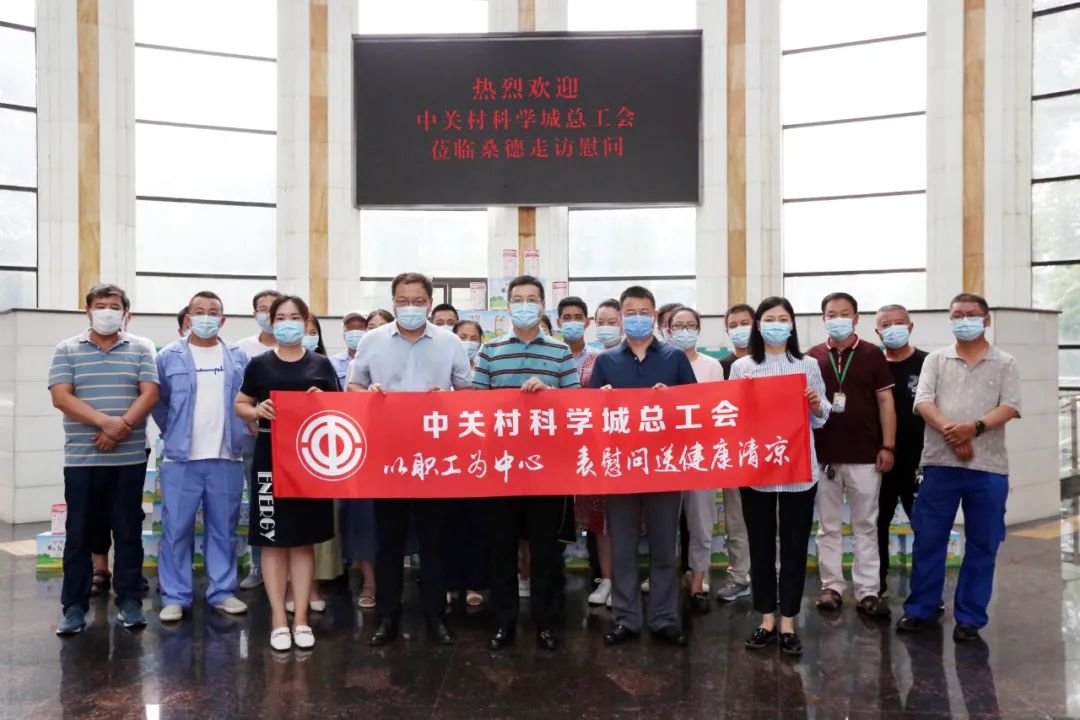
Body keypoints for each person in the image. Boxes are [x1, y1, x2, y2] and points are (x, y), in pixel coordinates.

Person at [348, 272, 472, 647]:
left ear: (429, 303)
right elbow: (353, 386)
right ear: (393, 301)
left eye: (418, 301)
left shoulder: (450, 343)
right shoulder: (372, 341)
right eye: (403, 301)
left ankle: (435, 616)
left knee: (435, 541)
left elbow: (468, 394)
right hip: (388, 456)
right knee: (389, 541)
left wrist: (446, 399)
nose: (410, 307)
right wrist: (368, 394)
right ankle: (388, 615)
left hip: (435, 457)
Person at [897, 293, 1021, 642]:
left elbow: (1010, 406)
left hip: (989, 468)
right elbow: (923, 402)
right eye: (957, 315)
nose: (963, 320)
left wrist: (974, 428)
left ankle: (970, 617)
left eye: (971, 314)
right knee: (929, 539)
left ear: (986, 319)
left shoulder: (1005, 362)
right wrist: (954, 433)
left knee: (983, 543)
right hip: (939, 464)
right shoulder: (936, 360)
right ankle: (921, 609)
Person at [473, 275, 579, 652]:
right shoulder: (490, 351)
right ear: (507, 305)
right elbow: (476, 407)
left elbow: (575, 406)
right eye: (517, 299)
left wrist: (549, 395)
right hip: (501, 468)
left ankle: (545, 622)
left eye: (531, 299)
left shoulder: (560, 352)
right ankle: (504, 622)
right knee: (501, 549)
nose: (524, 305)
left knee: (544, 551)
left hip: (547, 469)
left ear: (542, 305)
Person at [50, 284, 160, 635]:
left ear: (125, 312)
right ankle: (74, 607)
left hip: (129, 459)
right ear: (88, 310)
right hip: (82, 459)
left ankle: (129, 601)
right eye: (101, 305)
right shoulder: (67, 349)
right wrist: (106, 423)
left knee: (128, 531)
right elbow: (61, 397)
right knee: (79, 533)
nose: (107, 312)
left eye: (114, 306)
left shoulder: (140, 348)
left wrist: (121, 427)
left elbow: (150, 393)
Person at [590, 285, 696, 647]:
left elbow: (695, 408)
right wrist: (601, 401)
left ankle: (665, 618)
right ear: (621, 317)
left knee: (664, 546)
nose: (637, 318)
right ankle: (626, 618)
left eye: (644, 312)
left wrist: (673, 399)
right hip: (620, 466)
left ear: (655, 316)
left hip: (664, 465)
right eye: (630, 312)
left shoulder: (674, 357)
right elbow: (589, 418)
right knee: (623, 547)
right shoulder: (606, 361)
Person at [235, 295, 337, 651]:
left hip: (310, 461)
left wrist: (323, 400)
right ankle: (278, 619)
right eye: (281, 317)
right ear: (271, 322)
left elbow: (341, 411)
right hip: (270, 458)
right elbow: (241, 403)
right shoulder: (259, 364)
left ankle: (301, 618)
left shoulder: (321, 364)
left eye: (295, 317)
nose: (288, 323)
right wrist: (256, 410)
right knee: (273, 541)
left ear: (306, 321)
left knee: (303, 541)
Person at [733, 296, 830, 656]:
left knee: (793, 547)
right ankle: (766, 619)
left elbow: (822, 417)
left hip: (798, 472)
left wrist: (816, 404)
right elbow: (732, 417)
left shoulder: (808, 364)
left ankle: (788, 620)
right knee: (760, 546)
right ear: (758, 326)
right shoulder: (742, 367)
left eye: (783, 318)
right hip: (756, 470)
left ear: (792, 325)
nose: (776, 324)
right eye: (769, 319)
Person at [153, 291, 250, 623]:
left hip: (227, 456)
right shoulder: (167, 357)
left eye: (213, 312)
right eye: (199, 311)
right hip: (181, 460)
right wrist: (175, 431)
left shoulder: (238, 356)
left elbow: (247, 399)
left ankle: (222, 591)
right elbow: (158, 403)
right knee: (175, 529)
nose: (206, 317)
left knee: (223, 528)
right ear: (188, 318)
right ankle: (175, 595)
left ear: (222, 320)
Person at [807, 292, 896, 618]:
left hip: (866, 455)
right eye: (832, 314)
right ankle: (831, 587)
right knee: (828, 527)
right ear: (823, 319)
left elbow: (886, 403)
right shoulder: (812, 357)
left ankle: (868, 590)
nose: (838, 319)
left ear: (856, 318)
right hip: (824, 456)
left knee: (866, 526)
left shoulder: (873, 355)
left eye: (845, 314)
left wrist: (888, 446)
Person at [666, 306, 724, 614]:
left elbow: (719, 408)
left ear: (699, 329)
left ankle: (698, 581)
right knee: (665, 524)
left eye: (691, 325)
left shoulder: (712, 366)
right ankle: (666, 580)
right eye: (678, 325)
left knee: (701, 523)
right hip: (666, 456)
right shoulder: (660, 362)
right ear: (668, 329)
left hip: (702, 455)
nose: (685, 330)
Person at [556, 296, 612, 607]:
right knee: (555, 515)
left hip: (592, 450)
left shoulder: (599, 358)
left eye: (578, 317)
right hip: (554, 450)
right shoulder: (551, 354)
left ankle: (606, 578)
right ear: (558, 321)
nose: (572, 322)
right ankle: (548, 578)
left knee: (600, 517)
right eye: (567, 317)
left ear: (587, 322)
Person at [875, 304, 927, 597]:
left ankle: (925, 590)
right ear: (877, 331)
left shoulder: (928, 363)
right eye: (886, 324)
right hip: (880, 460)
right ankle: (876, 586)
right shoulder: (873, 363)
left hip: (920, 461)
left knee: (925, 527)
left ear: (910, 327)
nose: (893, 328)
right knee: (876, 525)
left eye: (898, 322)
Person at [443, 319, 490, 610]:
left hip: (480, 460)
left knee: (477, 524)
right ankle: (449, 582)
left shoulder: (484, 371)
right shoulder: (443, 368)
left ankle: (474, 582)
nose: (468, 342)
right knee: (448, 525)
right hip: (446, 460)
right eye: (462, 336)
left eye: (474, 337)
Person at [237, 289, 282, 591]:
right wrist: (253, 420)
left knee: (291, 505)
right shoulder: (243, 349)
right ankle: (258, 565)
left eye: (273, 308)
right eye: (262, 308)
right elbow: (240, 396)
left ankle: (289, 570)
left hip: (293, 443)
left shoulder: (296, 347)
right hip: (255, 439)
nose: (267, 313)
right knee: (260, 501)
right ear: (255, 313)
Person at [335, 311, 377, 610]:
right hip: (360, 454)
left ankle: (391, 580)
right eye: (368, 328)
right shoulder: (352, 367)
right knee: (363, 521)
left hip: (401, 454)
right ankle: (370, 581)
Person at [713, 303, 755, 603]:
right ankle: (740, 576)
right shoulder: (721, 367)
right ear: (727, 330)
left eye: (746, 323)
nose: (741, 329)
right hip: (733, 455)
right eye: (734, 324)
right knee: (736, 521)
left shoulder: (772, 363)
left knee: (773, 521)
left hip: (769, 455)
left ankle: (774, 577)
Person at [330, 311, 368, 390]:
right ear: (344, 335)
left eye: (360, 327)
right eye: (350, 328)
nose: (355, 332)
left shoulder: (374, 362)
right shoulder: (333, 363)